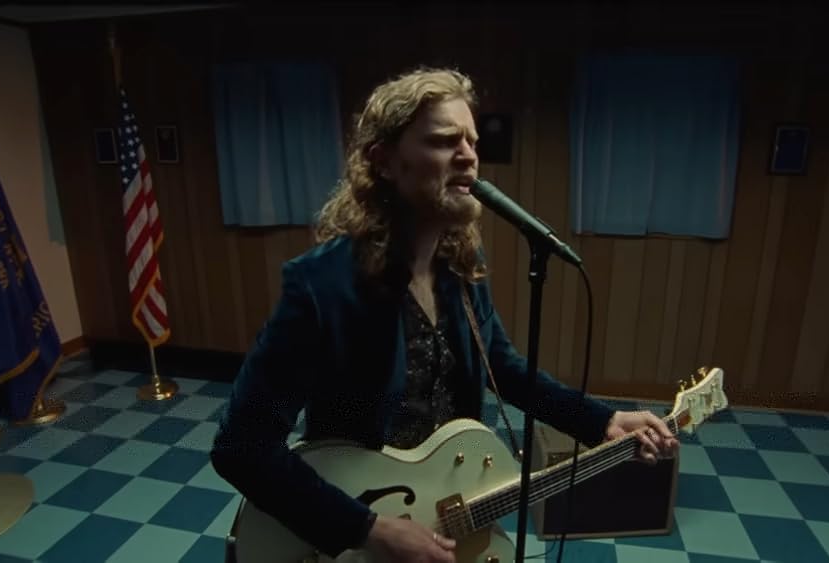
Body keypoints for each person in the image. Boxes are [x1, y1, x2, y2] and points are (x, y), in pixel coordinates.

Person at [210, 66, 679, 563]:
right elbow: (241, 446)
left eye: (472, 141)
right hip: (356, 528)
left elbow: (506, 371)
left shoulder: (461, 268)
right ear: (384, 162)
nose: (468, 155)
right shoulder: (320, 284)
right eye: (443, 140)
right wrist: (367, 529)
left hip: (442, 510)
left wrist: (603, 421)